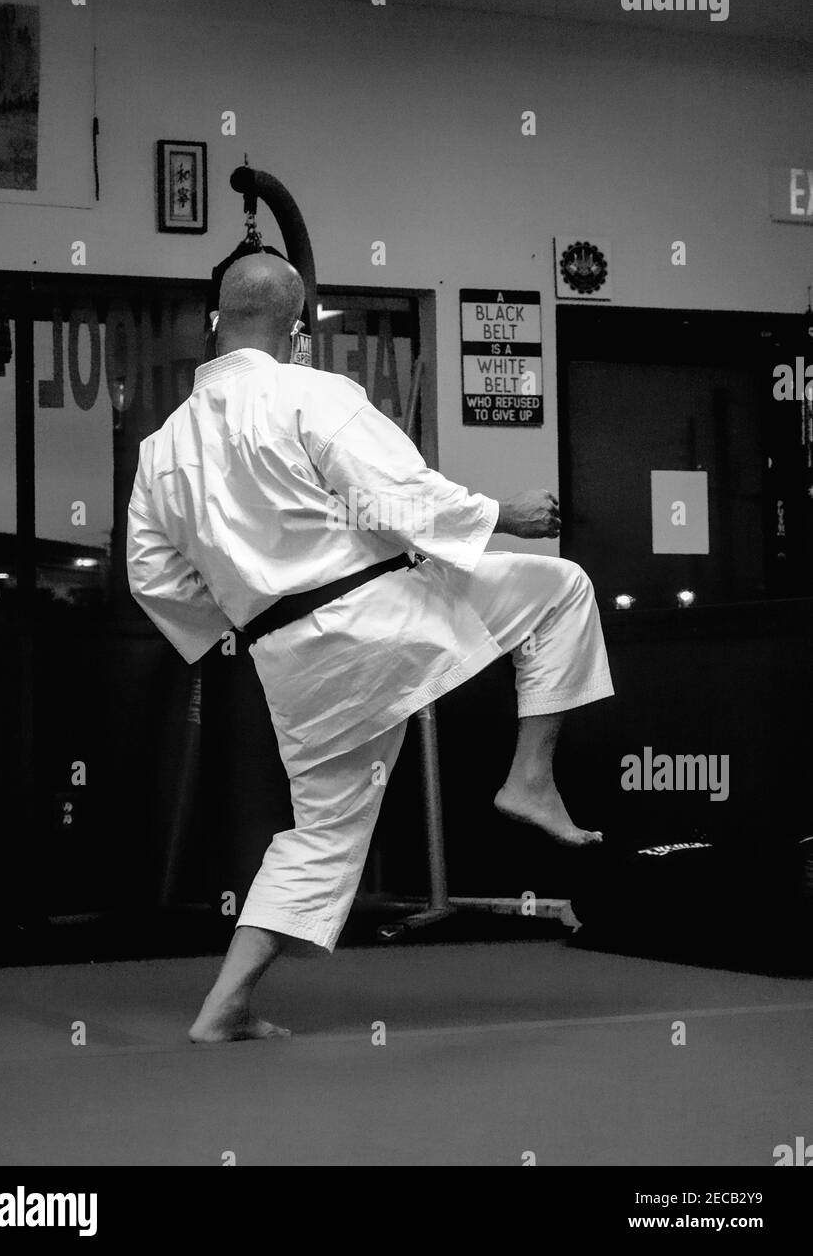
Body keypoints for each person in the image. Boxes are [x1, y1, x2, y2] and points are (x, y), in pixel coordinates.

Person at [126, 253, 614, 1042]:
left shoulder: (160, 449)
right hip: (384, 615)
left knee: (317, 836)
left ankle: (224, 1006)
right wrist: (502, 515)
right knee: (560, 589)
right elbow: (391, 493)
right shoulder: (308, 391)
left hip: (288, 659)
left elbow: (154, 578)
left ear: (215, 323)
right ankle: (529, 780)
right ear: (298, 331)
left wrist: (239, 616)